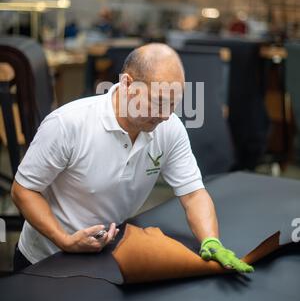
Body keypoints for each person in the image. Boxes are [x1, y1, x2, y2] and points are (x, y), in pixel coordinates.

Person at [11, 43, 253, 274]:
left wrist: (211, 240)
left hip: (106, 255)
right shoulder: (68, 124)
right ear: (127, 83)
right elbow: (23, 191)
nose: (166, 115)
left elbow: (193, 194)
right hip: (46, 259)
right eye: (158, 102)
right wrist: (63, 240)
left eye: (173, 104)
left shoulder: (168, 128)